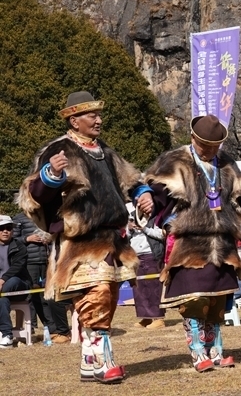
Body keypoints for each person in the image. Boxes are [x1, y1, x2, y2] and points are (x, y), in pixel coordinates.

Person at [16, 91, 153, 382]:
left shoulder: (106, 151)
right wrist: (51, 174)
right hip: (78, 241)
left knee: (108, 297)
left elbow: (131, 181)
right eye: (92, 115)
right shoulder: (59, 150)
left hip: (112, 238)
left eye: (99, 115)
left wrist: (143, 194)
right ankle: (103, 362)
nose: (99, 120)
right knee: (97, 296)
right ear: (74, 120)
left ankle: (89, 363)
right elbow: (35, 194)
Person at [144, 114, 241, 372]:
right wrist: (152, 204)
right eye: (205, 146)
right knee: (194, 299)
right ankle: (198, 352)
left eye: (215, 147)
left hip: (222, 243)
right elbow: (156, 193)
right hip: (189, 242)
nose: (210, 151)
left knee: (217, 300)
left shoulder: (227, 163)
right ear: (193, 138)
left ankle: (215, 351)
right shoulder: (175, 161)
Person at [12, 211, 74, 342]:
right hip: (29, 262)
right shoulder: (19, 218)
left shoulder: (45, 215)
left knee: (48, 295)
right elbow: (12, 241)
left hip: (47, 261)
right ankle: (32, 326)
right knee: (32, 296)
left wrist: (48, 240)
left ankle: (53, 327)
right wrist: (27, 239)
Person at [127, 211, 166, 329]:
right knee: (139, 288)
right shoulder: (131, 215)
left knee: (154, 287)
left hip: (152, 255)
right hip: (135, 256)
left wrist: (145, 229)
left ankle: (158, 318)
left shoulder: (156, 216)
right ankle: (146, 317)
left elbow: (163, 234)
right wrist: (129, 229)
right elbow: (125, 236)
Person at [0, 215, 32, 348]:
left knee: (11, 281)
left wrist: (2, 280)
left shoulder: (19, 246)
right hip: (3, 293)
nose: (5, 231)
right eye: (1, 228)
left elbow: (17, 267)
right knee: (2, 300)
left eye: (8, 228)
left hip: (19, 285)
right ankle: (7, 335)